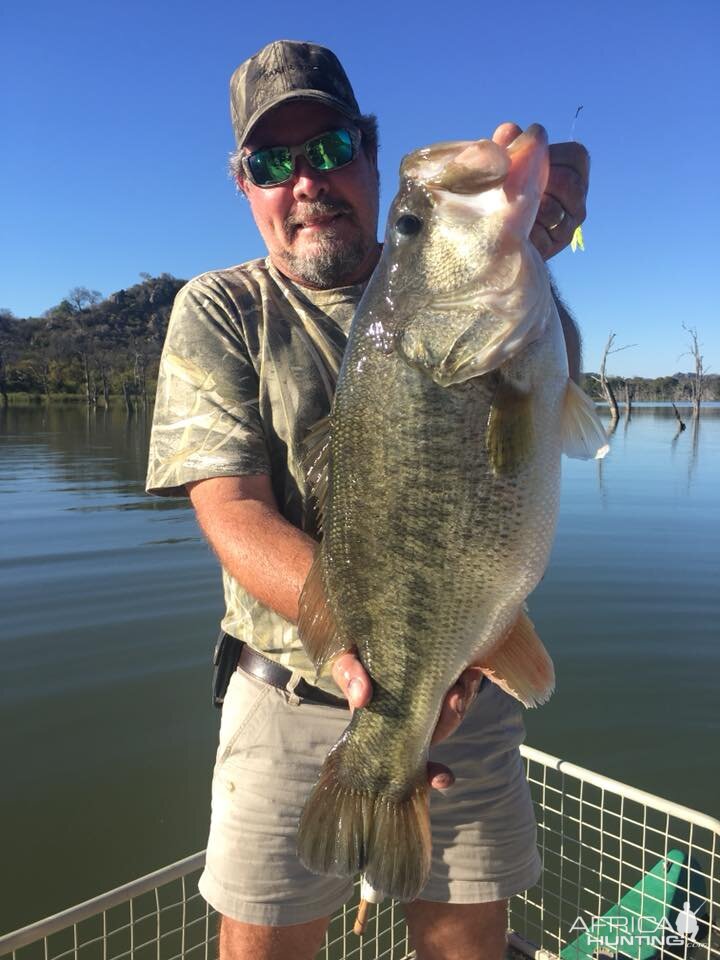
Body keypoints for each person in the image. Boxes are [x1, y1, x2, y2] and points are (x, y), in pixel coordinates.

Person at [146, 39, 589, 960]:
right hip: (287, 700)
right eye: (273, 162)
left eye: (330, 148)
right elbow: (229, 507)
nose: (305, 180)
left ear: (371, 153)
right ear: (244, 186)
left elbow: (545, 395)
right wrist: (375, 660)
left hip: (466, 678)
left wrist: (532, 234)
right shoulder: (221, 309)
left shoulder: (485, 295)